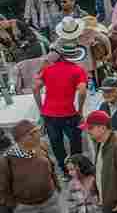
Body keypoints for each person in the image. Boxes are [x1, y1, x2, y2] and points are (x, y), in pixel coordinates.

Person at [0, 120, 62, 213]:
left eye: (37, 132)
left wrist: (56, 188)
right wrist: (15, 205)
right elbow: (3, 188)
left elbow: (52, 167)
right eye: (33, 133)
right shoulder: (6, 160)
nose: (38, 135)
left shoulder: (42, 147)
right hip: (25, 209)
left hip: (49, 202)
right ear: (21, 139)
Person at [33, 39, 87, 175]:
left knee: (56, 145)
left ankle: (65, 172)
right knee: (75, 143)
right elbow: (82, 91)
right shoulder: (78, 70)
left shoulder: (48, 69)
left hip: (49, 114)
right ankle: (78, 170)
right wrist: (80, 110)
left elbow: (35, 88)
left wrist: (41, 109)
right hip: (68, 113)